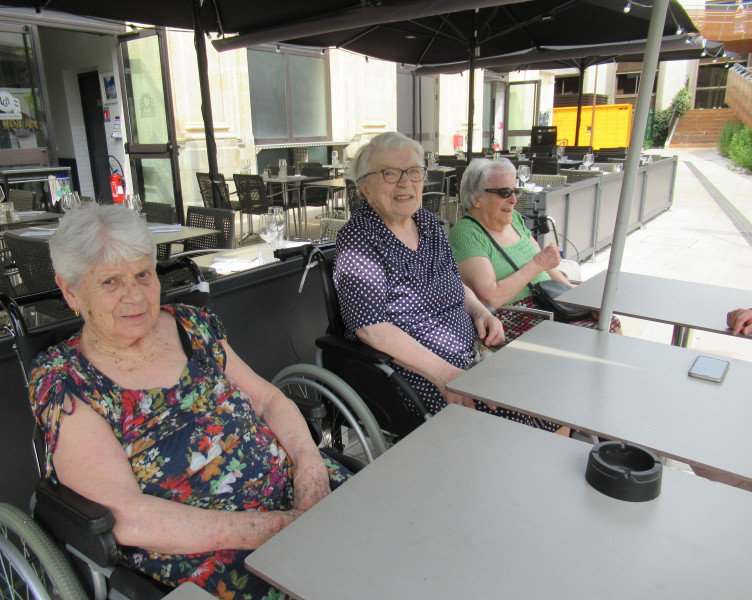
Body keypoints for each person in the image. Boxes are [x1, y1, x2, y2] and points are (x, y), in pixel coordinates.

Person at [28, 203, 350, 598]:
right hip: (214, 550)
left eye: (143, 274)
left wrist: (311, 469)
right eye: (110, 282)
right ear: (70, 291)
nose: (134, 295)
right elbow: (128, 516)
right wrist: (278, 527)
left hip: (298, 497)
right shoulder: (66, 379)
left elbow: (268, 400)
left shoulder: (190, 325)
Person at [334, 131, 564, 434]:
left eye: (414, 171)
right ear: (365, 187)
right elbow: (371, 328)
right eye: (390, 173)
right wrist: (446, 375)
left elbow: (455, 283)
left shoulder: (428, 223)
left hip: (472, 353)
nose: (405, 183)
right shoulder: (358, 239)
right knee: (515, 418)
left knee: (552, 397)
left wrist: (481, 312)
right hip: (416, 374)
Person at [448, 158, 621, 342]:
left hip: (548, 301)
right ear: (476, 199)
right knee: (587, 338)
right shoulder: (466, 234)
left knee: (610, 322)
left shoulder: (513, 219)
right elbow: (492, 297)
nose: (513, 200)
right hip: (516, 315)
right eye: (504, 192)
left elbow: (546, 266)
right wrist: (537, 264)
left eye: (516, 191)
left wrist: (577, 297)